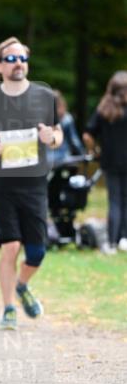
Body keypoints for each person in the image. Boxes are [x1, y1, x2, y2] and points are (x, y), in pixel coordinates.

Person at [0, 37, 62, 329]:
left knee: (37, 253)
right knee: (10, 246)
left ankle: (21, 285)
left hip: (35, 186)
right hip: (1, 186)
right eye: (11, 59)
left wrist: (51, 138)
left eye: (22, 59)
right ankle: (8, 308)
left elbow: (58, 135)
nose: (18, 64)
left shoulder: (44, 96)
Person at [83, 70, 127, 254]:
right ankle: (124, 238)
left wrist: (95, 150)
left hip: (109, 161)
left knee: (114, 201)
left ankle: (111, 241)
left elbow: (87, 135)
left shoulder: (104, 109)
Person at [51, 90, 84, 165]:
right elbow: (74, 141)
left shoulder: (42, 119)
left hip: (46, 160)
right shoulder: (66, 119)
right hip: (63, 158)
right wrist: (83, 155)